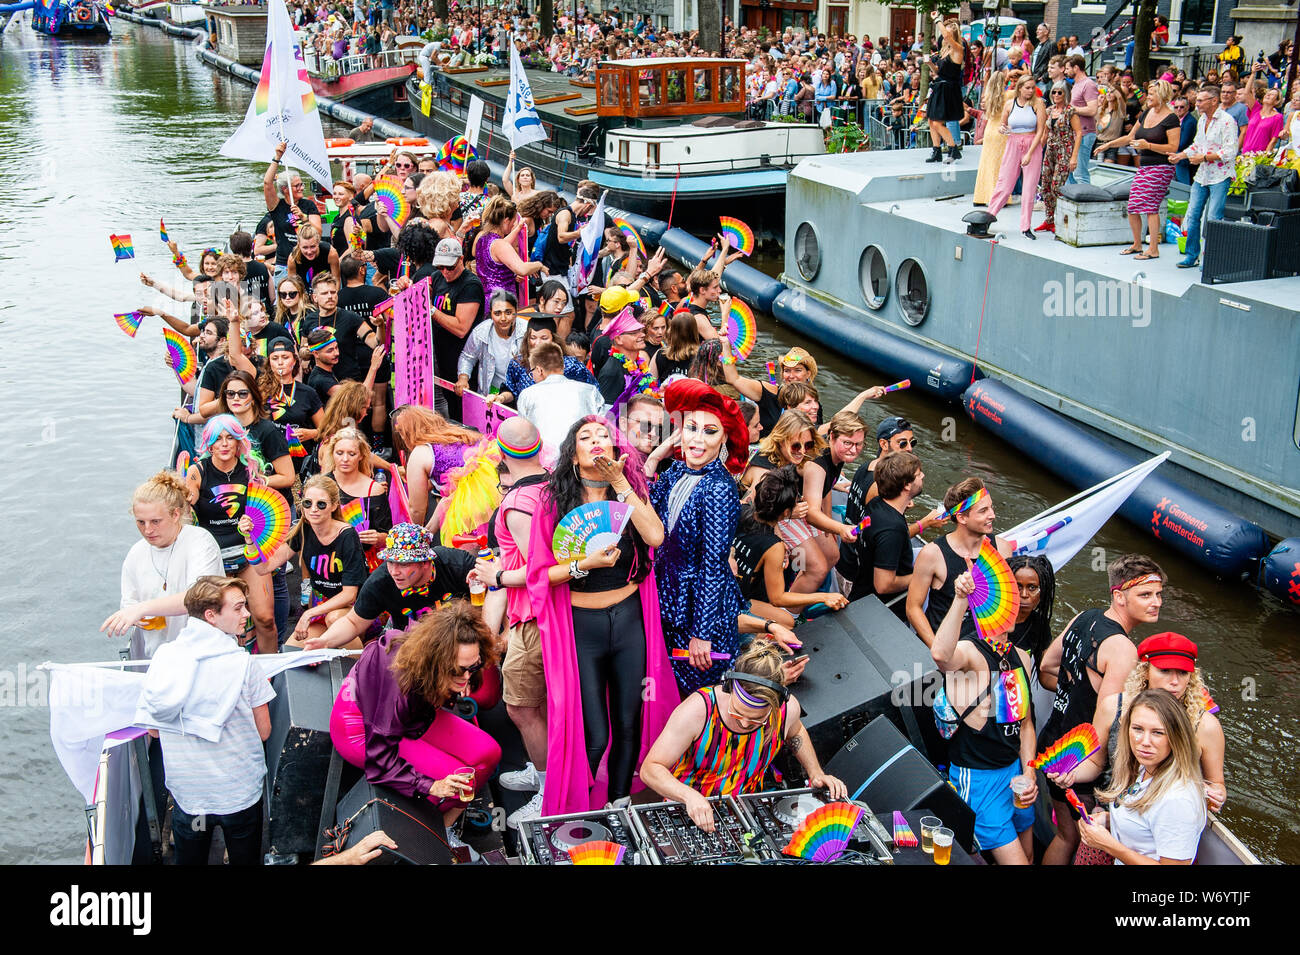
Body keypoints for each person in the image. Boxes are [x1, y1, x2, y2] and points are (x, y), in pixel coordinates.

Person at [524, 417, 676, 814]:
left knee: (630, 719)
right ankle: (582, 809)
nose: (596, 441)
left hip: (629, 622)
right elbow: (539, 575)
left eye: (604, 435)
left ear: (615, 448)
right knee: (594, 734)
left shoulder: (632, 492)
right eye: (585, 437)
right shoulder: (552, 501)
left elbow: (655, 537)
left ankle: (619, 802)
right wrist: (583, 565)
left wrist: (622, 484)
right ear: (573, 456)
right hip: (581, 629)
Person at [328, 602, 501, 858]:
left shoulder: (437, 652)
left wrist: (463, 677)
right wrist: (432, 786)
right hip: (359, 728)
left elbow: (464, 675)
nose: (466, 676)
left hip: (415, 710)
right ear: (437, 659)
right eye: (458, 670)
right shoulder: (399, 685)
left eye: (472, 667)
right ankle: (426, 836)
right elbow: (381, 761)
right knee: (452, 780)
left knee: (488, 754)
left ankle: (444, 827)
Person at [1037, 554, 1166, 865]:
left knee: (1063, 835)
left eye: (1159, 594)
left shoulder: (1084, 617)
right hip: (1078, 763)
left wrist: (1077, 690)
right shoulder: (1123, 649)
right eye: (1145, 594)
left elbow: (1046, 667)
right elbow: (1105, 725)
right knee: (1078, 842)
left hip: (1053, 742)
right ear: (1119, 596)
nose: (1157, 602)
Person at [137, 576, 274, 865]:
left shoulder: (164, 658)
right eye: (238, 609)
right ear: (211, 616)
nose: (247, 614)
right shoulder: (245, 664)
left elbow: (154, 731)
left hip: (191, 801)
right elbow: (264, 731)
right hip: (239, 797)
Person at [640, 638, 847, 831]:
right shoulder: (698, 710)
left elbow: (796, 732)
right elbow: (650, 769)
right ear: (729, 689)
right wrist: (689, 796)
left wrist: (816, 773)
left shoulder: (787, 710)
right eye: (737, 713)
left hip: (745, 809)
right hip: (687, 809)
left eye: (757, 719)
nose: (746, 723)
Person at [1060, 634, 1227, 844]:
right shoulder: (1114, 707)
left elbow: (1216, 784)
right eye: (1165, 671)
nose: (1174, 682)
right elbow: (1095, 761)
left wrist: (1215, 795)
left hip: (1164, 829)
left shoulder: (1206, 726)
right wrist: (1070, 772)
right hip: (1112, 815)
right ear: (1145, 670)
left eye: (1183, 673)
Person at [649, 380, 752, 694]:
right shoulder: (677, 470)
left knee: (694, 695)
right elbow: (645, 513)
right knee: (665, 684)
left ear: (724, 438)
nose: (697, 439)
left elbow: (714, 567)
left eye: (710, 431)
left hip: (697, 613)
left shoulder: (720, 488)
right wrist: (656, 457)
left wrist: (702, 634)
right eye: (692, 428)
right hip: (666, 597)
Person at [932, 569, 1038, 864]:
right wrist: (960, 597)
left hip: (1015, 774)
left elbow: (1026, 725)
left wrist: (1029, 771)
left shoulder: (1022, 656)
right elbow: (941, 654)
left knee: (1029, 855)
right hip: (978, 779)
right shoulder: (970, 653)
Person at [480, 418, 552, 828]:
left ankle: (546, 790)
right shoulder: (550, 487)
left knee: (520, 707)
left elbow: (542, 568)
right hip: (542, 616)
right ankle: (539, 770)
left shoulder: (517, 503)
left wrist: (498, 577)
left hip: (533, 618)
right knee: (538, 705)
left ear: (503, 453)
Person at [182, 415, 280, 653]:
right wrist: (186, 499)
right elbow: (188, 499)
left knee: (265, 619)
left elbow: (263, 509)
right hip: (213, 555)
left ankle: (270, 674)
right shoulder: (198, 471)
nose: (224, 444)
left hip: (247, 549)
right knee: (218, 625)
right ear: (209, 444)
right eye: (218, 439)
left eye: (230, 438)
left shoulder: (250, 470)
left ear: (239, 442)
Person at [102, 470, 223, 660]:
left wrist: (143, 608)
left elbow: (198, 599)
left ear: (176, 514)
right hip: (160, 658)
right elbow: (129, 604)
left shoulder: (200, 542)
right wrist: (137, 615)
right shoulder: (136, 554)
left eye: (155, 522)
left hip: (204, 654)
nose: (147, 530)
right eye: (140, 522)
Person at [1076, 689, 1207, 864]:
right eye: (1137, 729)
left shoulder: (1178, 799)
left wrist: (1108, 845)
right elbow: (1144, 825)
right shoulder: (1146, 769)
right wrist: (1107, 820)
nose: (1144, 741)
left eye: (1157, 733)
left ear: (1176, 737)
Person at [304, 523, 476, 649]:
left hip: (462, 641)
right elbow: (353, 622)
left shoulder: (455, 564)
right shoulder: (381, 581)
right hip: (414, 648)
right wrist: (324, 642)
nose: (394, 571)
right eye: (390, 562)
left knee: (485, 694)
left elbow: (494, 583)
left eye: (403, 564)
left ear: (425, 562)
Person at [254, 474, 367, 646]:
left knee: (334, 619)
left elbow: (349, 594)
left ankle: (360, 666)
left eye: (321, 504)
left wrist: (308, 614)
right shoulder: (304, 529)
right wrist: (250, 540)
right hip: (320, 608)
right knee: (291, 651)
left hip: (351, 609)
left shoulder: (347, 536)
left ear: (334, 506)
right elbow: (263, 568)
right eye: (308, 503)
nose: (313, 509)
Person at [734, 465, 846, 628]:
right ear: (787, 513)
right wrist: (823, 597)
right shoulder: (774, 546)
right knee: (787, 622)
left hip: (723, 587)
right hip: (736, 600)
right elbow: (778, 598)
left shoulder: (740, 509)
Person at [907, 477, 1011, 648]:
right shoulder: (933, 554)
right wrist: (939, 651)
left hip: (982, 649)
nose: (992, 515)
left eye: (991, 507)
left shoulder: (1003, 549)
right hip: (944, 645)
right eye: (983, 510)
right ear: (962, 517)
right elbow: (913, 608)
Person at [1099, 80, 1180, 259]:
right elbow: (1130, 137)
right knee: (1133, 206)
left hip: (1161, 167)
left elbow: (1173, 147)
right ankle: (1137, 244)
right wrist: (1108, 145)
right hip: (1144, 166)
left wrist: (1148, 145)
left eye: (1152, 94)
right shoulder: (1146, 114)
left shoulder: (1171, 118)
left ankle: (1153, 249)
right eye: (1148, 93)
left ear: (1162, 95)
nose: (1148, 97)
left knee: (1151, 207)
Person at [839, 450, 926, 613]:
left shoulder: (877, 503)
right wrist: (922, 576)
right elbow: (883, 585)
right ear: (907, 485)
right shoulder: (893, 529)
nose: (923, 476)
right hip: (880, 610)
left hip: (861, 591)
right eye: (919, 474)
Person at [1171, 86, 1240, 269]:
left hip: (1220, 175)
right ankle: (1191, 255)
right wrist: (1181, 155)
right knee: (1193, 215)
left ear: (1213, 101)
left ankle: (1209, 257)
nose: (1197, 103)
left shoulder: (1227, 121)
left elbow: (1231, 151)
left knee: (1213, 217)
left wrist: (1204, 158)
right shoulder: (1202, 119)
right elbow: (1197, 145)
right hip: (1202, 175)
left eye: (1201, 100)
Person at [798, 411, 867, 592]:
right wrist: (840, 528)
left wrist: (828, 521)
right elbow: (811, 514)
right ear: (832, 437)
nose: (853, 449)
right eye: (848, 443)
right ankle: (790, 609)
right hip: (786, 509)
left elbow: (826, 488)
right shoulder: (817, 464)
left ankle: (802, 590)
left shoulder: (838, 455)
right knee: (818, 567)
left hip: (804, 505)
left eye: (859, 444)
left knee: (831, 554)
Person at [392, 405, 479, 526]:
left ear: (405, 433)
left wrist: (417, 535)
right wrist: (428, 531)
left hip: (468, 514)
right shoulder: (459, 434)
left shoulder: (420, 453)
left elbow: (417, 509)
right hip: (491, 498)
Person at [428, 237, 485, 421]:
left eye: (450, 267)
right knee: (452, 408)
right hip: (443, 357)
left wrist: (432, 311)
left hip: (465, 359)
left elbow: (461, 328)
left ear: (461, 259)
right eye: (440, 267)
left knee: (466, 414)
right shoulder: (438, 277)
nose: (445, 272)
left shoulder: (470, 285)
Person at [323, 426, 393, 570]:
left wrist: (378, 538)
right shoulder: (322, 485)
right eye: (339, 453)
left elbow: (388, 535)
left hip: (366, 563)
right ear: (332, 454)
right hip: (330, 561)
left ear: (361, 455)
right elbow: (307, 531)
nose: (345, 459)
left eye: (352, 454)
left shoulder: (374, 489)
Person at [517, 342, 605, 453]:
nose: (532, 376)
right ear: (563, 366)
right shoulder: (590, 390)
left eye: (532, 372)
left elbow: (524, 434)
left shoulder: (527, 395)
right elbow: (603, 426)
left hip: (545, 460)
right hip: (583, 455)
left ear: (539, 370)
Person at [988, 74, 1047, 239]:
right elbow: (1003, 124)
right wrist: (1002, 129)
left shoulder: (1038, 104)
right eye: (1027, 87)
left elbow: (1040, 131)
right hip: (1013, 142)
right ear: (1020, 88)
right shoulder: (1010, 104)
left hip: (1031, 143)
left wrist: (1030, 153)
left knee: (1029, 187)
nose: (1030, 91)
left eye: (1032, 88)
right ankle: (989, 215)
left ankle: (1026, 226)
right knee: (1004, 183)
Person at [474, 196, 548, 311]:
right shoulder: (499, 245)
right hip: (502, 302)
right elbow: (522, 269)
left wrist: (517, 229)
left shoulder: (483, 239)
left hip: (487, 299)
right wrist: (539, 265)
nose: (512, 226)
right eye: (513, 223)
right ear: (506, 221)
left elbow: (503, 245)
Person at [503, 314, 596, 403]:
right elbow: (512, 391)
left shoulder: (571, 365)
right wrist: (501, 397)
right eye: (533, 337)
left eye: (544, 338)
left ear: (554, 339)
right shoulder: (518, 364)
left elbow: (593, 390)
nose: (538, 343)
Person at [262, 141, 323, 275]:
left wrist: (303, 217)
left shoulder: (308, 205)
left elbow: (318, 232)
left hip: (308, 262)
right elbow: (267, 183)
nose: (302, 188)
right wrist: (277, 157)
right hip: (284, 264)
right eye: (297, 186)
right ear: (285, 189)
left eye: (302, 184)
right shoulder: (277, 206)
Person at [456, 290, 528, 401]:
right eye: (497, 313)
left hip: (521, 391)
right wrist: (463, 378)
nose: (503, 318)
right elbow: (467, 357)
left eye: (508, 312)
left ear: (516, 312)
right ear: (491, 313)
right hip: (492, 392)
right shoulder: (481, 332)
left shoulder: (527, 331)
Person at [1035, 81, 1082, 233]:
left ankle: (1059, 217)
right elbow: (1045, 133)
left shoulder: (1070, 111)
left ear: (1065, 94)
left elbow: (1079, 132)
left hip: (1064, 150)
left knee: (1056, 185)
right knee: (1045, 185)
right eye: (1054, 92)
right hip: (1050, 149)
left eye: (1059, 92)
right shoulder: (1049, 111)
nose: (1056, 95)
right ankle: (1049, 219)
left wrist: (1074, 157)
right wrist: (1037, 151)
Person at [1006, 553, 1056, 680]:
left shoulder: (1039, 624)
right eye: (1018, 586)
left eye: (1032, 588)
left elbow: (1045, 676)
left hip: (1017, 691)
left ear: (1042, 591)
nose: (1024, 594)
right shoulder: (985, 620)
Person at [924, 13, 965, 163]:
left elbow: (946, 35)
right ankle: (937, 151)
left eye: (946, 29)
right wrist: (929, 64)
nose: (943, 32)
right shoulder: (944, 51)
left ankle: (953, 148)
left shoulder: (958, 49)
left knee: (937, 122)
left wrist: (937, 20)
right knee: (931, 120)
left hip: (949, 89)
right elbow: (938, 71)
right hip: (940, 87)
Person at [973, 70, 1010, 206]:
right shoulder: (1008, 95)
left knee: (985, 164)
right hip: (1001, 131)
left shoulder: (987, 96)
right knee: (999, 166)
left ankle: (981, 196)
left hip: (989, 131)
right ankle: (997, 197)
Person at [1064, 55, 1100, 184]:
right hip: (1074, 133)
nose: (1065, 71)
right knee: (1069, 173)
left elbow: (1092, 110)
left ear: (1076, 68)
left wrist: (1071, 109)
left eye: (1068, 68)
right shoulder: (1076, 84)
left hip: (1085, 133)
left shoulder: (1088, 84)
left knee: (1080, 173)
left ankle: (1085, 200)